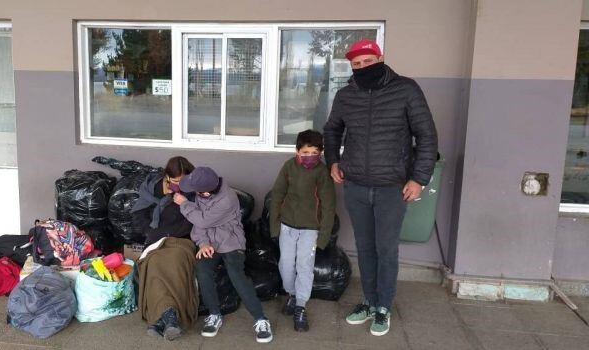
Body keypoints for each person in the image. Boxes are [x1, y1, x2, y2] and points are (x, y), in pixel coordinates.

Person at [323, 39, 438, 337]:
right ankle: (368, 300)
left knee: (385, 249)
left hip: (392, 187)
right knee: (364, 248)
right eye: (356, 64)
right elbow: (332, 128)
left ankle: (383, 306)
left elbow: (426, 136)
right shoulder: (347, 95)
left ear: (380, 58)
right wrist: (332, 160)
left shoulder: (406, 89)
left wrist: (419, 179)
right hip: (356, 186)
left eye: (367, 61)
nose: (362, 67)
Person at [173, 167, 273, 344]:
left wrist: (184, 204)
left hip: (230, 242)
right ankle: (214, 314)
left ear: (205, 190)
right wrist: (203, 243)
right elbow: (200, 226)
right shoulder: (202, 193)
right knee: (202, 271)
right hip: (209, 244)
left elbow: (202, 220)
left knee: (237, 276)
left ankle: (261, 319)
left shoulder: (227, 199)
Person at [269, 129, 336, 332]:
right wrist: (275, 227)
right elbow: (277, 195)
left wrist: (323, 237)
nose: (310, 157)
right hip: (288, 226)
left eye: (315, 152)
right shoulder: (289, 167)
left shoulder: (322, 172)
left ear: (321, 153)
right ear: (297, 151)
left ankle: (300, 306)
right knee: (286, 264)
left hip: (310, 229)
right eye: (305, 152)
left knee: (304, 265)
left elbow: (329, 205)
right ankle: (292, 294)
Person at [132, 156, 198, 341]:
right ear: (167, 177)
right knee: (152, 264)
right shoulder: (152, 188)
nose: (180, 184)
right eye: (176, 180)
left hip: (181, 241)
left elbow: (194, 222)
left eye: (184, 180)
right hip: (154, 241)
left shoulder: (193, 193)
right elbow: (138, 214)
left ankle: (160, 319)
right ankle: (170, 318)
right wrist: (149, 231)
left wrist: (184, 203)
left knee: (174, 262)